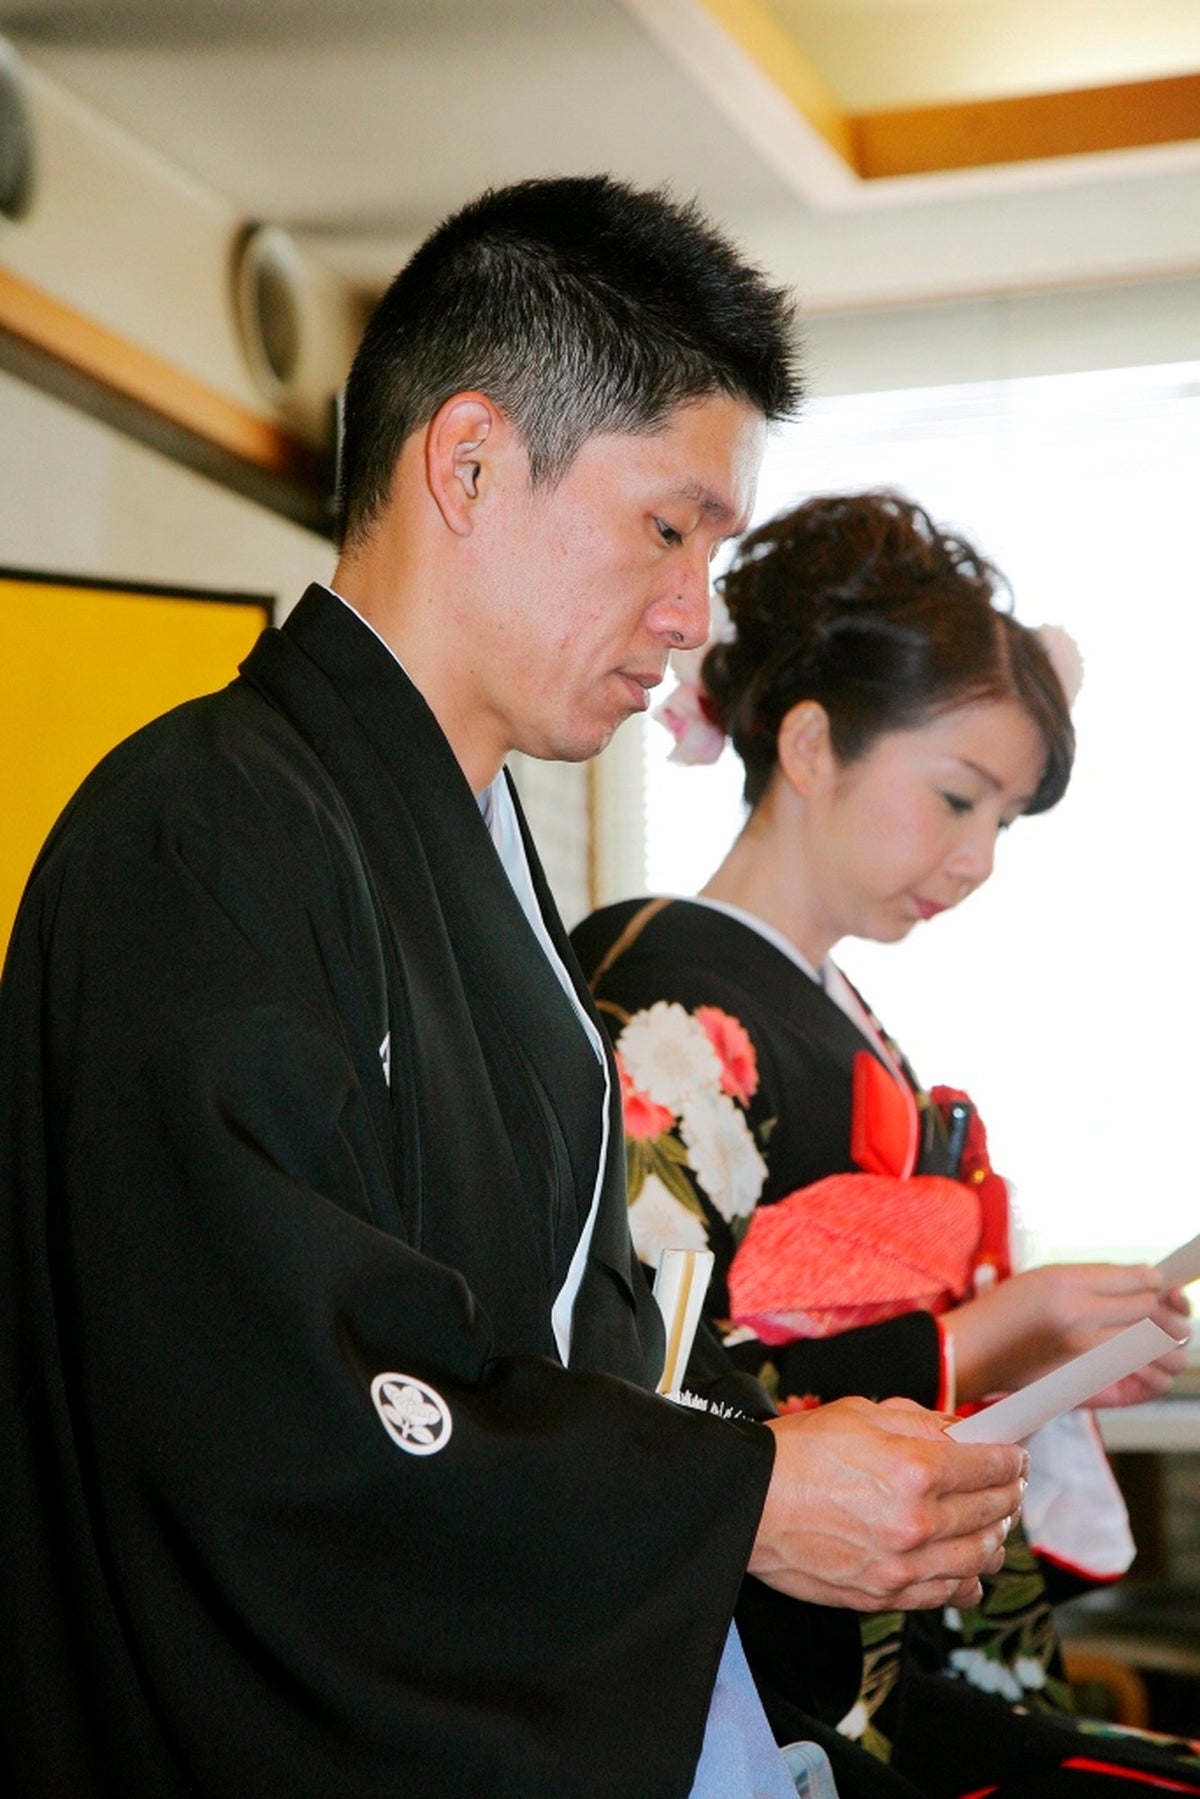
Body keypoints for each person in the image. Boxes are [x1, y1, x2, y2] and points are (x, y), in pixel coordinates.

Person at [0, 184, 1029, 1799]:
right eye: (669, 529)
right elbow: (274, 1412)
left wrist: (782, 1483)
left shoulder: (471, 850)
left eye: (714, 551)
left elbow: (560, 1355)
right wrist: (742, 1500)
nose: (693, 615)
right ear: (468, 463)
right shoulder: (203, 830)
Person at [572, 489, 1198, 1792]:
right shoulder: (666, 1005)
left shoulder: (833, 1013)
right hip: (750, 1662)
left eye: (1003, 821)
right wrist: (983, 1338)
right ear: (811, 745)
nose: (978, 859)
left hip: (874, 1629)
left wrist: (1040, 1356)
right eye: (959, 798)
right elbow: (645, 1372)